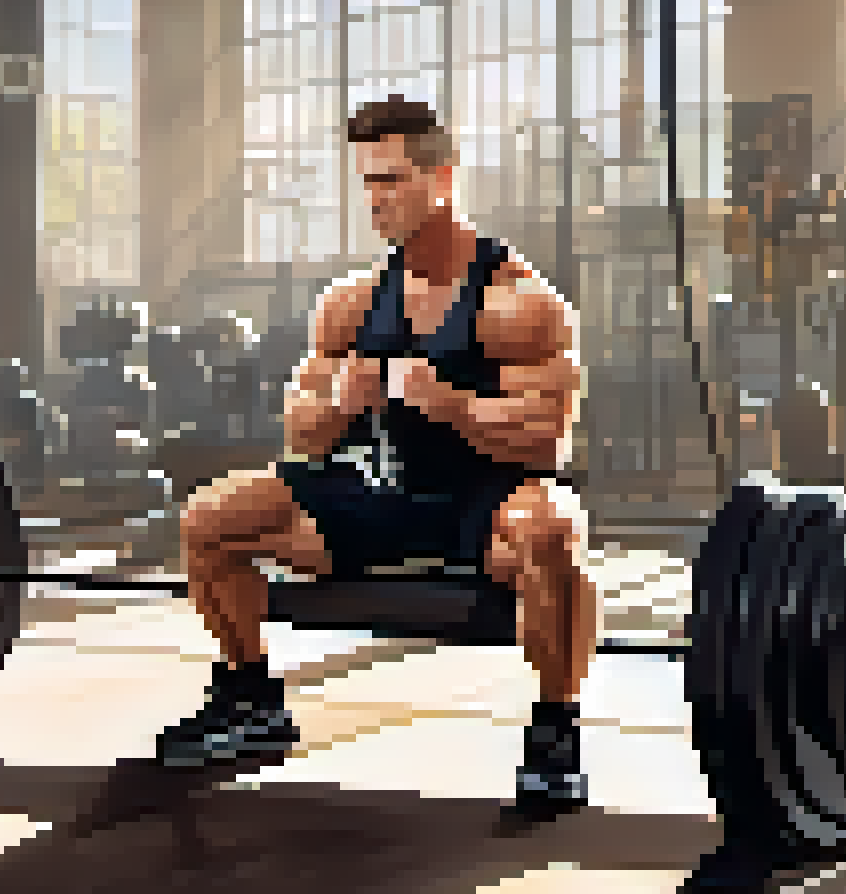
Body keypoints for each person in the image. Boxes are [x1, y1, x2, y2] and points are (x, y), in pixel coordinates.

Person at [154, 95, 598, 823]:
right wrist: (340, 405)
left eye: (390, 180)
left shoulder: (517, 303)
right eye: (367, 182)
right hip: (379, 495)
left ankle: (556, 731)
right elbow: (302, 435)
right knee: (211, 519)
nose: (375, 200)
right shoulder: (352, 304)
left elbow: (547, 437)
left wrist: (453, 405)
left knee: (552, 529)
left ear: (441, 179)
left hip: (482, 503)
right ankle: (251, 698)